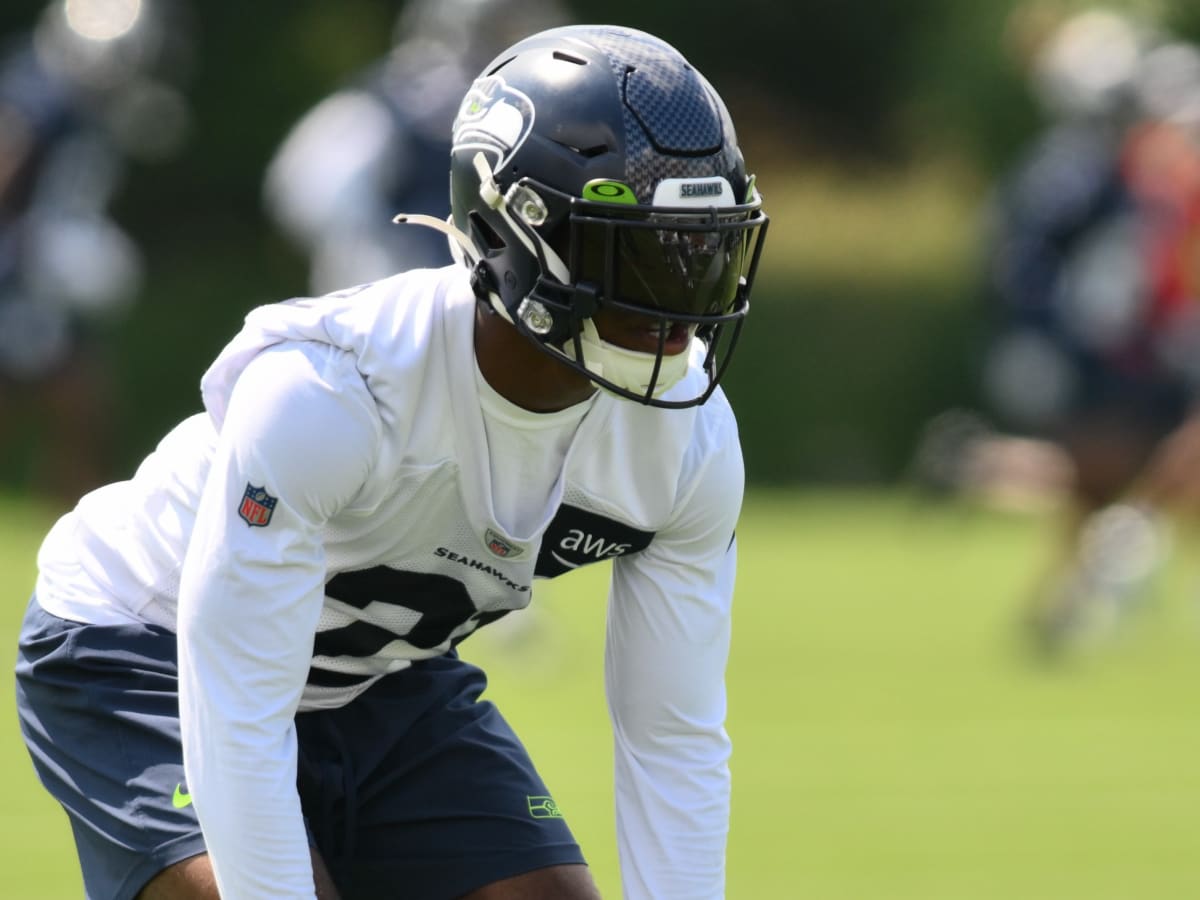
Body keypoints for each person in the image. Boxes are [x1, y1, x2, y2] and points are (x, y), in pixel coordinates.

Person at [15, 23, 769, 900]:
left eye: (703, 250)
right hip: (144, 648)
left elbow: (670, 737)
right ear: (516, 233)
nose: (681, 309)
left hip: (376, 679)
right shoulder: (334, 396)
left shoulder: (689, 439)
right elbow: (236, 703)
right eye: (639, 251)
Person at [0, 0, 193, 503]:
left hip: (45, 281)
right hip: (17, 275)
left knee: (84, 408)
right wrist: (36, 250)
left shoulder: (91, 104)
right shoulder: (36, 95)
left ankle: (74, 540)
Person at [262, 0, 568, 295]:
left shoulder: (540, 116)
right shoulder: (390, 104)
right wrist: (392, 261)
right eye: (505, 30)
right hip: (398, 306)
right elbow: (317, 197)